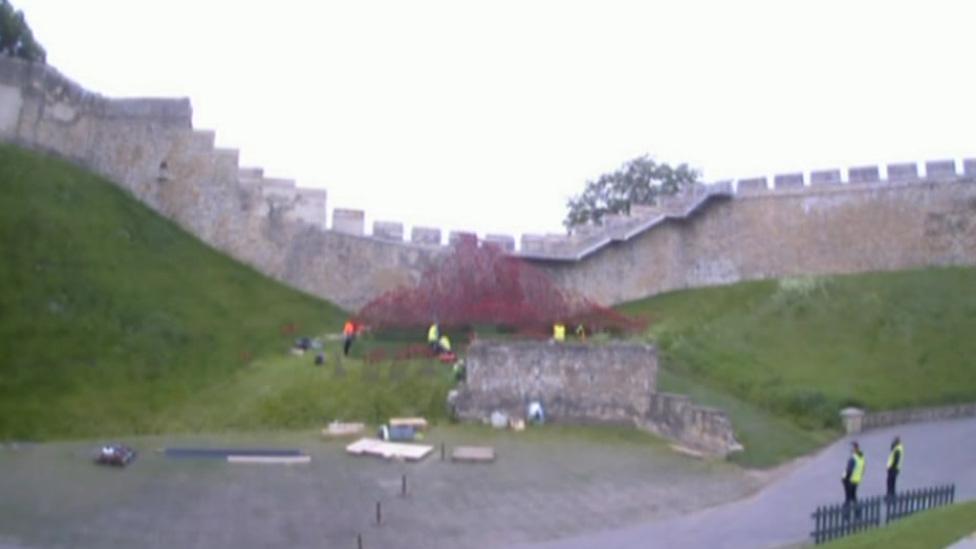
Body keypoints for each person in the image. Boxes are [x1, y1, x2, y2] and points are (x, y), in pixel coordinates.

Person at [842, 441, 866, 511]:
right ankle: (857, 510)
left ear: (855, 448)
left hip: (850, 480)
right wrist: (860, 476)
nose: (850, 449)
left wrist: (845, 479)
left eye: (852, 448)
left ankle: (846, 511)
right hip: (857, 479)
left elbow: (849, 470)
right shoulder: (861, 457)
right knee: (853, 495)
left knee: (848, 497)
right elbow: (863, 469)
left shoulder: (853, 458)